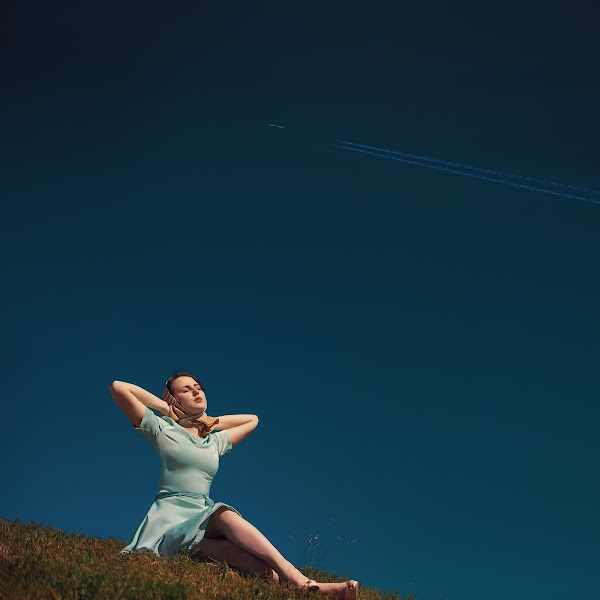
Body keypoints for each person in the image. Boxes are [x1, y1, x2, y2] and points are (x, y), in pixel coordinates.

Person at [110, 371, 360, 599]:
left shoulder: (213, 442)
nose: (196, 391)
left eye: (198, 386)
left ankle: (319, 589)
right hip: (171, 524)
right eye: (186, 389)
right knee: (224, 515)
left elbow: (252, 420)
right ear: (174, 398)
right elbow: (119, 387)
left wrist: (208, 421)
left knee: (261, 568)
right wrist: (165, 409)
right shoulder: (161, 429)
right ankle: (302, 582)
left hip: (202, 516)